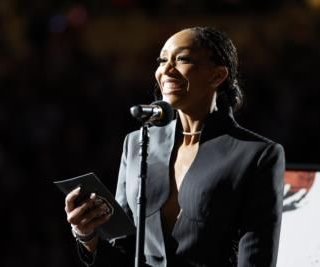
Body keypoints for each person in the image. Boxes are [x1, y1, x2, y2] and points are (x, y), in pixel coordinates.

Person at [64, 26, 285, 267]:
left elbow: (256, 259)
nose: (166, 70)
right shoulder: (137, 142)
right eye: (161, 60)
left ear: (218, 75)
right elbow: (124, 250)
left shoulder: (256, 155)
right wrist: (87, 235)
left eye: (181, 59)